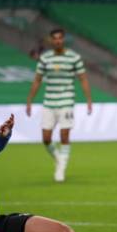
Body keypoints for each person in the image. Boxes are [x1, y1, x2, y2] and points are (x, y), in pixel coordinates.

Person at [26, 28, 92, 182]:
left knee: (64, 134)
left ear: (63, 39)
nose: (57, 41)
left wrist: (89, 100)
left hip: (66, 101)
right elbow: (37, 80)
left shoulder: (74, 58)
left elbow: (83, 79)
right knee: (46, 138)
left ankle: (61, 169)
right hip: (49, 102)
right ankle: (58, 158)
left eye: (60, 38)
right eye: (54, 38)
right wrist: (29, 100)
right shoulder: (45, 59)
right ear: (51, 40)